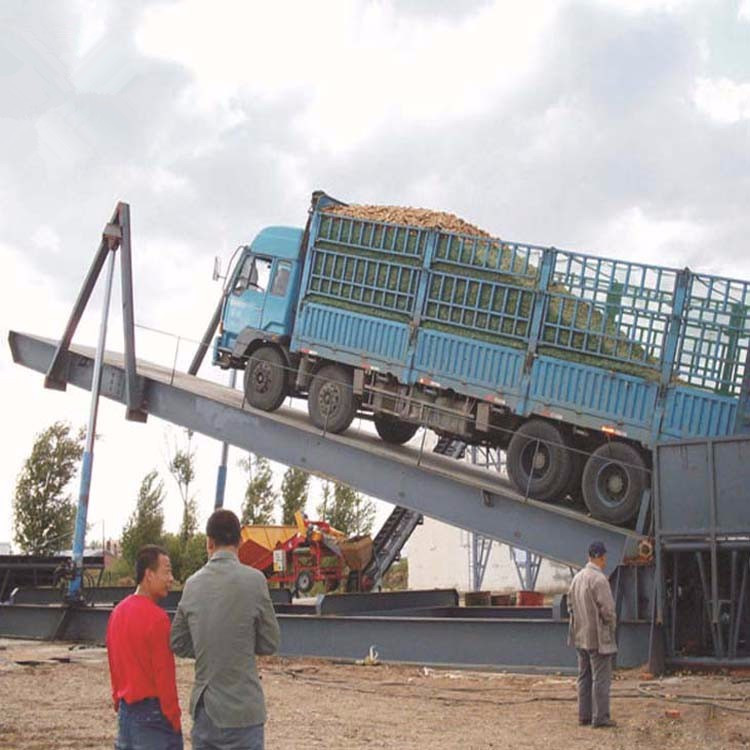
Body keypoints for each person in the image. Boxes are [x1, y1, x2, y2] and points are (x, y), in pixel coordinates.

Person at [171, 509, 281, 750]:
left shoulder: (192, 584)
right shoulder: (255, 581)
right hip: (244, 711)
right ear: (240, 542)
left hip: (206, 708)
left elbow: (177, 641)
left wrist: (207, 647)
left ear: (209, 542)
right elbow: (270, 642)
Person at [106, 545, 183, 749]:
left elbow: (114, 664)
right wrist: (174, 718)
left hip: (126, 713)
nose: (171, 579)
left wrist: (118, 701)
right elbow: (164, 676)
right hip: (153, 717)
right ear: (149, 574)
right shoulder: (158, 619)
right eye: (167, 571)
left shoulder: (117, 613)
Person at [567, 540, 618, 729]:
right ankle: (601, 717)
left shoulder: (577, 578)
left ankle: (584, 716)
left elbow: (570, 606)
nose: (605, 562)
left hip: (580, 637)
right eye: (604, 558)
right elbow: (608, 610)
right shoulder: (599, 579)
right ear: (601, 557)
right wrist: (611, 627)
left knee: (584, 677)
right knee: (601, 678)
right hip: (597, 639)